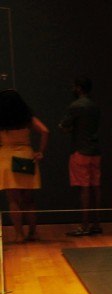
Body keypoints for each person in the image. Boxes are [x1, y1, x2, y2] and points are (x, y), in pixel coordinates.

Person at [0, 89, 49, 243]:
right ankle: (33, 233)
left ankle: (19, 235)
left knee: (13, 200)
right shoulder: (27, 117)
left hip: (7, 158)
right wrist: (40, 152)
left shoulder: (1, 119)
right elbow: (45, 131)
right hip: (26, 157)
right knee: (29, 200)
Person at [59, 76, 101, 236]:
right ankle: (96, 223)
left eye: (74, 86)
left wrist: (66, 128)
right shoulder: (95, 106)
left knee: (84, 189)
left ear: (78, 88)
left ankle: (84, 226)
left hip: (80, 151)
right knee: (96, 187)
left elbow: (64, 126)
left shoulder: (75, 106)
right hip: (95, 151)